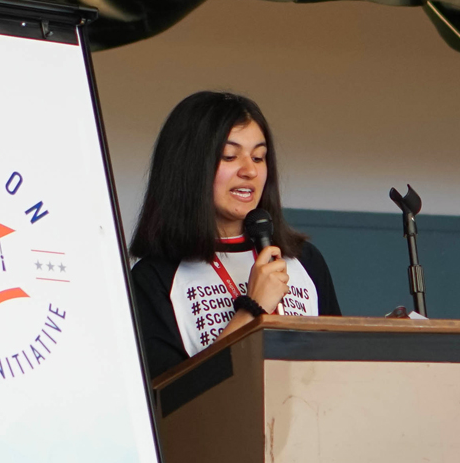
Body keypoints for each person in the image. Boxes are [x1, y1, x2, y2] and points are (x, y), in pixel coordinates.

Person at [130, 91, 340, 379]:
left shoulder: (306, 261)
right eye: (229, 156)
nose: (250, 170)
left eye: (259, 157)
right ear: (189, 167)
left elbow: (339, 369)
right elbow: (170, 404)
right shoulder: (153, 279)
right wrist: (252, 310)